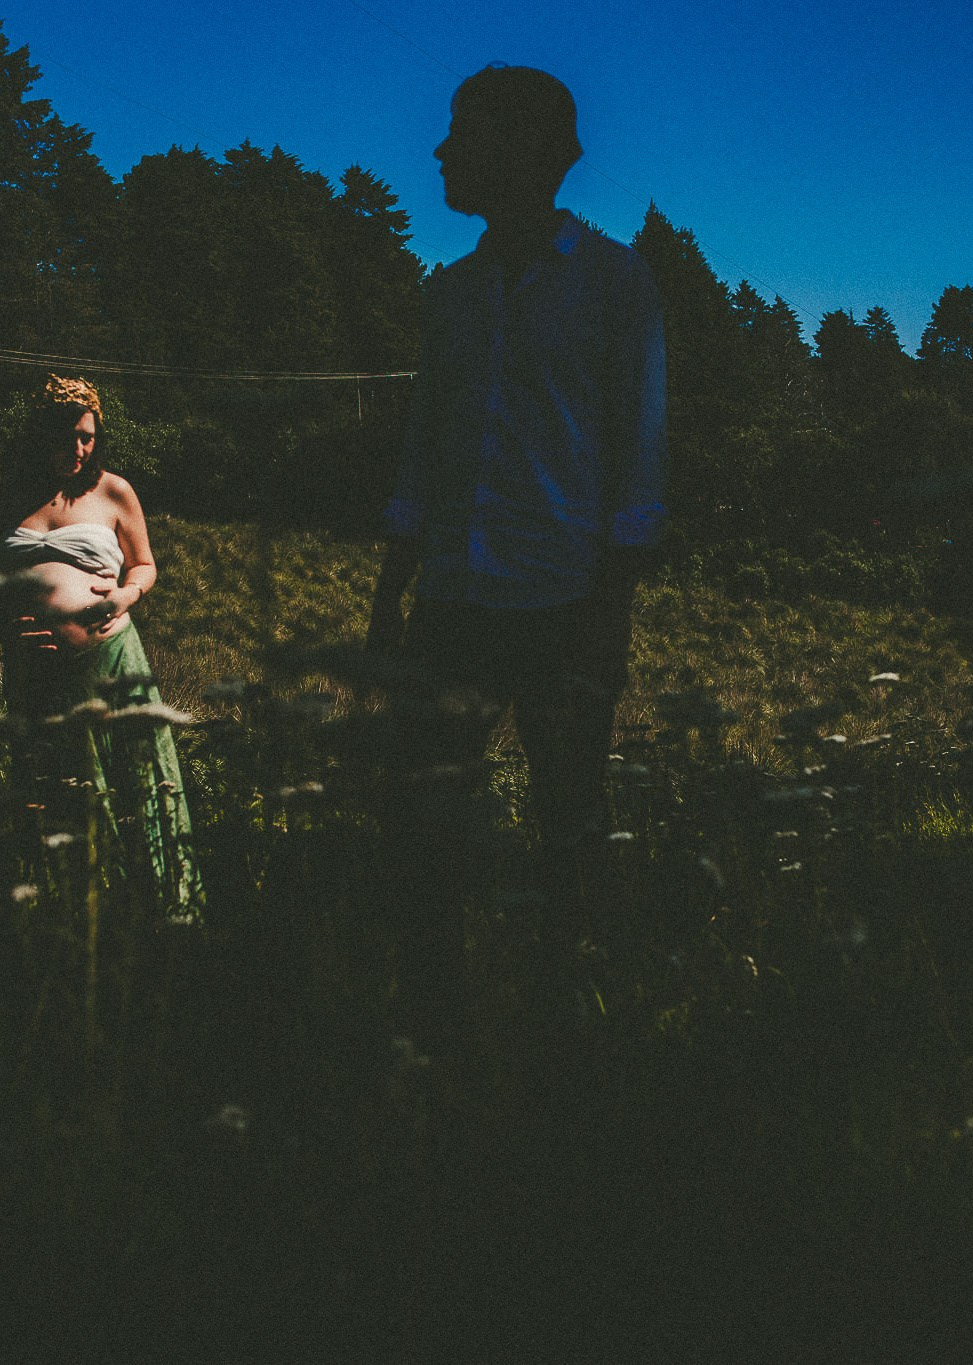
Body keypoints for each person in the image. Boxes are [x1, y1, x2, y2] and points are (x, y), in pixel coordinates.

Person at [366, 65, 666, 937]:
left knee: (569, 823)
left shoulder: (615, 284)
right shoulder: (452, 292)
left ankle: (565, 988)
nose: (442, 150)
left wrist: (609, 612)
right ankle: (432, 993)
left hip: (564, 604)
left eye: (464, 131)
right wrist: (391, 593)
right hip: (451, 601)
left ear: (523, 149)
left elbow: (640, 457)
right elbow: (423, 446)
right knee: (419, 824)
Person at [0, 374, 203, 917]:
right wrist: (6, 629)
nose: (79, 448)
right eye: (67, 437)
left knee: (134, 778)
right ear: (40, 435)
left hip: (110, 659)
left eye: (87, 437)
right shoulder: (10, 494)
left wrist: (126, 595)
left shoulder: (113, 491)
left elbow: (145, 565)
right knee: (51, 787)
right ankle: (67, 917)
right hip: (35, 671)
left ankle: (157, 913)